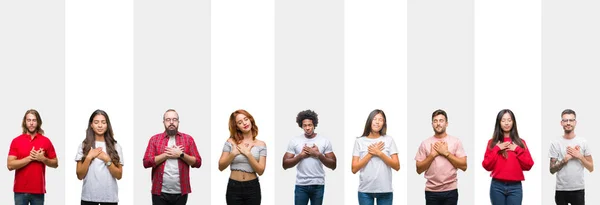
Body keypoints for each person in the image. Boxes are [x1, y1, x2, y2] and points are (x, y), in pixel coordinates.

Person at [143, 109, 202, 205]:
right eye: (168, 119)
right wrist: (166, 155)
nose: (171, 122)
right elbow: (146, 162)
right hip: (159, 192)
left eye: (174, 119)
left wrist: (181, 155)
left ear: (178, 122)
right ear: (163, 122)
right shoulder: (154, 139)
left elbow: (198, 162)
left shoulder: (188, 139)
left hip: (181, 193)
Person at [282, 110, 337, 205]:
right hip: (301, 185)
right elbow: (285, 165)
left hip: (318, 184)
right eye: (305, 125)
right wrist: (301, 156)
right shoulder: (295, 141)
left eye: (310, 125)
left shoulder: (324, 141)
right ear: (301, 126)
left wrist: (318, 155)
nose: (307, 128)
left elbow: (333, 165)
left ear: (314, 125)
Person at [482, 109, 534, 205]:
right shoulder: (492, 142)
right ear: (499, 123)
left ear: (513, 122)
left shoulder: (520, 142)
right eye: (503, 120)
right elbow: (486, 165)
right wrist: (497, 148)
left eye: (509, 120)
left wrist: (517, 149)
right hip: (497, 186)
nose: (506, 123)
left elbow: (529, 165)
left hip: (515, 187)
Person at [415, 109, 467, 205]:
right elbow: (418, 170)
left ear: (446, 123)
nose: (438, 124)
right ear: (432, 124)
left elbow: (464, 166)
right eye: (435, 121)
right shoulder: (425, 143)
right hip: (431, 192)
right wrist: (432, 155)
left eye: (441, 120)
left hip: (451, 190)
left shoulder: (456, 141)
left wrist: (446, 153)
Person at [7, 109, 59, 205]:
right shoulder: (16, 141)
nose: (31, 123)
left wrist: (43, 159)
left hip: (38, 191)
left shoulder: (46, 141)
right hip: (20, 191)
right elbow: (10, 165)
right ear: (25, 122)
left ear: (38, 122)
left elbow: (55, 163)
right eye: (29, 120)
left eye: (34, 120)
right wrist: (30, 158)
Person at [351, 109, 400, 205]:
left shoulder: (389, 140)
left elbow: (397, 166)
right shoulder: (359, 141)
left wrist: (380, 153)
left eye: (381, 120)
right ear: (370, 121)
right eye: (375, 119)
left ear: (384, 123)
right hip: (365, 191)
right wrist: (370, 154)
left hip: (385, 190)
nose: (377, 122)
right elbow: (354, 168)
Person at [218, 109, 267, 205]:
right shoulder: (230, 142)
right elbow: (221, 167)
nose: (244, 123)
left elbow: (261, 171)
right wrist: (233, 153)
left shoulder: (261, 144)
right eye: (240, 122)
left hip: (252, 187)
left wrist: (248, 154)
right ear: (237, 127)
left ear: (250, 120)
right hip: (233, 187)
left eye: (246, 119)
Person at [75, 110, 124, 205]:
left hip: (109, 199)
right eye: (96, 122)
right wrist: (89, 157)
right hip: (88, 199)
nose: (100, 125)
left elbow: (119, 175)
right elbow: (79, 175)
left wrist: (107, 159)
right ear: (91, 125)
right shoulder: (83, 145)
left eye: (103, 122)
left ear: (107, 125)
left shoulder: (116, 146)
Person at [549, 109, 593, 205]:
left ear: (575, 122)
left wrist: (580, 156)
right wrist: (564, 160)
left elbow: (591, 168)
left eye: (571, 120)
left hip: (578, 189)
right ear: (561, 123)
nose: (568, 123)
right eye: (565, 120)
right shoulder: (555, 143)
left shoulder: (583, 142)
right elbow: (551, 170)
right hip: (561, 190)